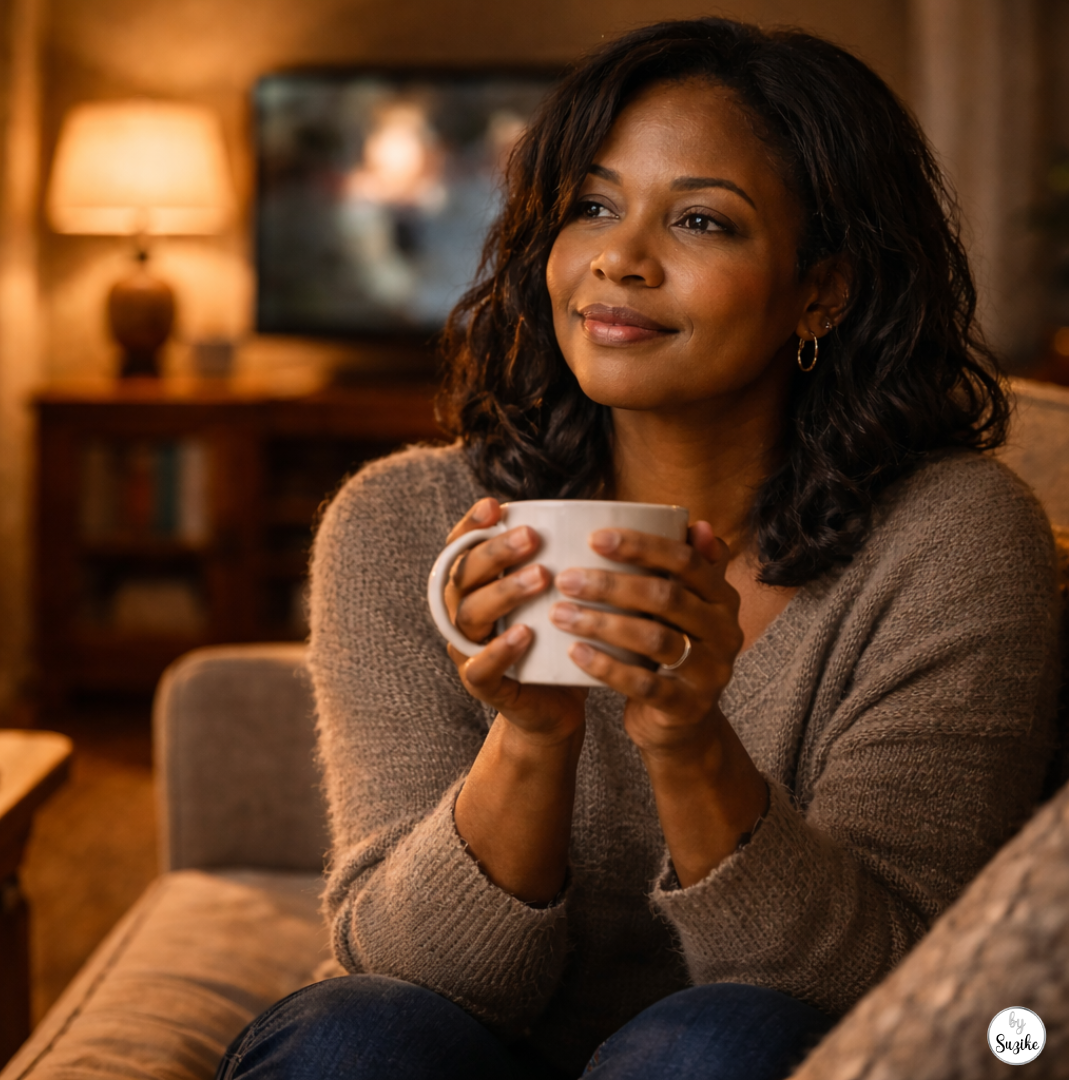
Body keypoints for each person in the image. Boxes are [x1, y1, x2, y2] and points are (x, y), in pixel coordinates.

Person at [216, 17, 1059, 1080]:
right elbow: (408, 966)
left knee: (723, 1042)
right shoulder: (401, 525)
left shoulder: (949, 539)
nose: (619, 258)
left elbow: (886, 983)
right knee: (353, 1033)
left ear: (824, 290)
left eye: (702, 220)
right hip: (462, 1048)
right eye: (592, 206)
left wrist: (689, 739)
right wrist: (531, 732)